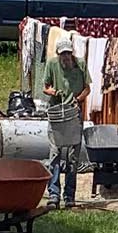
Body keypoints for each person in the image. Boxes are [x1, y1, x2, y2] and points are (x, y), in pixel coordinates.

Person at [39, 34, 91, 210]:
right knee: (55, 154)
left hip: (74, 114)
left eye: (68, 53)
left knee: (73, 158)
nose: (66, 57)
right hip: (57, 114)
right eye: (63, 54)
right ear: (58, 54)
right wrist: (52, 92)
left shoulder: (80, 65)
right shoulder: (52, 64)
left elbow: (87, 88)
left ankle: (70, 195)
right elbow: (45, 87)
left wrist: (78, 99)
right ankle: (54, 194)